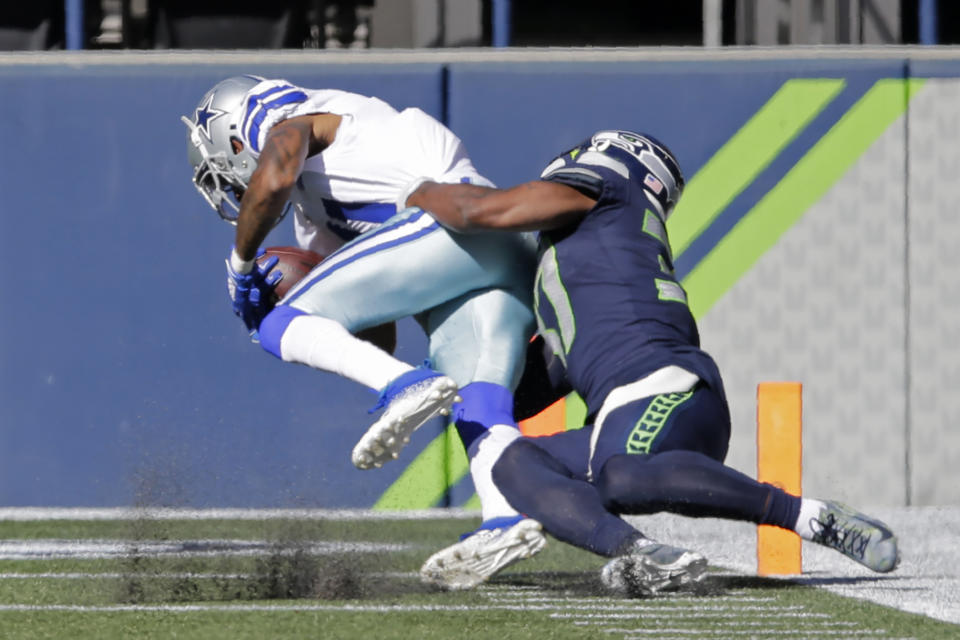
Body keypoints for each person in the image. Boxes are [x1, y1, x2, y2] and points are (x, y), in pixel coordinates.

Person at [402, 129, 900, 594]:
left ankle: (811, 517)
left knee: (622, 477)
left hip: (667, 388)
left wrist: (417, 191)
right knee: (511, 463)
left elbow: (476, 211)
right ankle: (639, 554)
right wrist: (450, 384)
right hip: (625, 412)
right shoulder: (588, 256)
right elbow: (540, 381)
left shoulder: (606, 189)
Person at [180, 76, 547, 573]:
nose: (228, 183)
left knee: (277, 325)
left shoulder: (282, 118)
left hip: (449, 214)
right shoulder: (316, 211)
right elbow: (377, 326)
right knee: (477, 399)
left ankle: (404, 386)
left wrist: (241, 265)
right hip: (503, 248)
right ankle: (506, 519)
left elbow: (274, 174)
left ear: (236, 136)